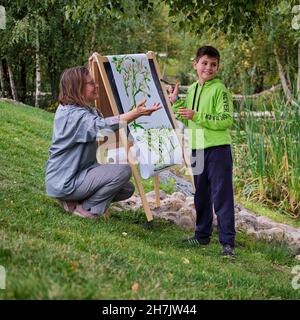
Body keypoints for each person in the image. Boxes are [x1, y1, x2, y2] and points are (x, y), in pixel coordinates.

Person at [45, 66, 161, 219]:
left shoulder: (80, 109)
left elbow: (101, 123)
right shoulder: (73, 116)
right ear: (77, 88)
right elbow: (101, 128)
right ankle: (86, 209)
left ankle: (73, 200)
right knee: (123, 171)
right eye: (91, 83)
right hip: (65, 180)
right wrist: (135, 114)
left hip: (78, 175)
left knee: (126, 189)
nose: (96, 85)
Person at [169, 46, 236, 257]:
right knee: (201, 194)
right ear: (195, 65)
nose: (208, 67)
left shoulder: (220, 90)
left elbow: (226, 119)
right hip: (197, 147)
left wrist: (196, 115)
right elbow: (185, 117)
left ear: (218, 67)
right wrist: (176, 103)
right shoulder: (193, 89)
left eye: (213, 64)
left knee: (221, 196)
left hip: (217, 149)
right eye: (205, 63)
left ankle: (228, 243)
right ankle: (202, 235)